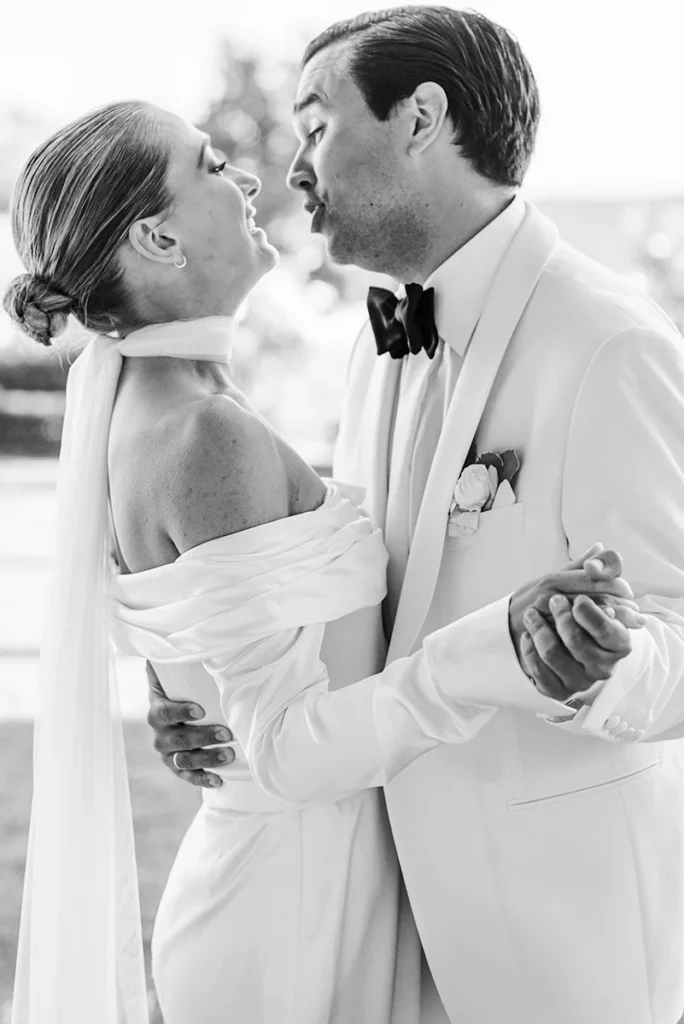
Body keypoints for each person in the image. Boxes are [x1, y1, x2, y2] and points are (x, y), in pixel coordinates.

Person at [5, 99, 636, 1024]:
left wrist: (186, 688)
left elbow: (203, 628)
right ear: (157, 238)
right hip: (292, 920)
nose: (245, 177)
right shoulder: (202, 433)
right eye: (210, 165)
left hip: (319, 887)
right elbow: (286, 753)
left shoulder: (160, 407)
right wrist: (497, 644)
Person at [148, 7, 684, 1024]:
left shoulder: (611, 344)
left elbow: (675, 633)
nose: (294, 167)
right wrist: (211, 691)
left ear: (422, 119)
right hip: (378, 916)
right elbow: (363, 595)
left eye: (316, 125)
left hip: (560, 936)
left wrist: (599, 665)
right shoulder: (376, 345)